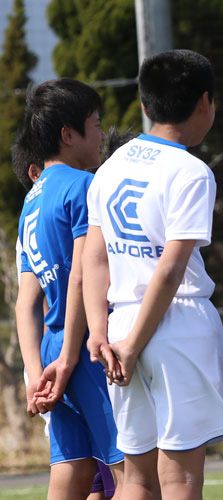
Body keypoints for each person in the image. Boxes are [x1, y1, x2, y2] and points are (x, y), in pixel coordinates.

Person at [82, 49, 223, 499]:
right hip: (174, 325)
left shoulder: (110, 166)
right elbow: (170, 269)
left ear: (144, 104)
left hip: (120, 322)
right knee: (182, 477)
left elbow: (94, 258)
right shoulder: (191, 171)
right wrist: (131, 345)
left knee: (136, 477)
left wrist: (101, 332)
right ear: (205, 103)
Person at [14, 78, 124, 500]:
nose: (99, 134)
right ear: (68, 134)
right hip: (85, 351)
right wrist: (70, 356)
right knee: (128, 474)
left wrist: (36, 372)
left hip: (51, 352)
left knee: (71, 472)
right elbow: (83, 276)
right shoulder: (83, 185)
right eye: (94, 124)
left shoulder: (32, 201)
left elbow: (27, 301)